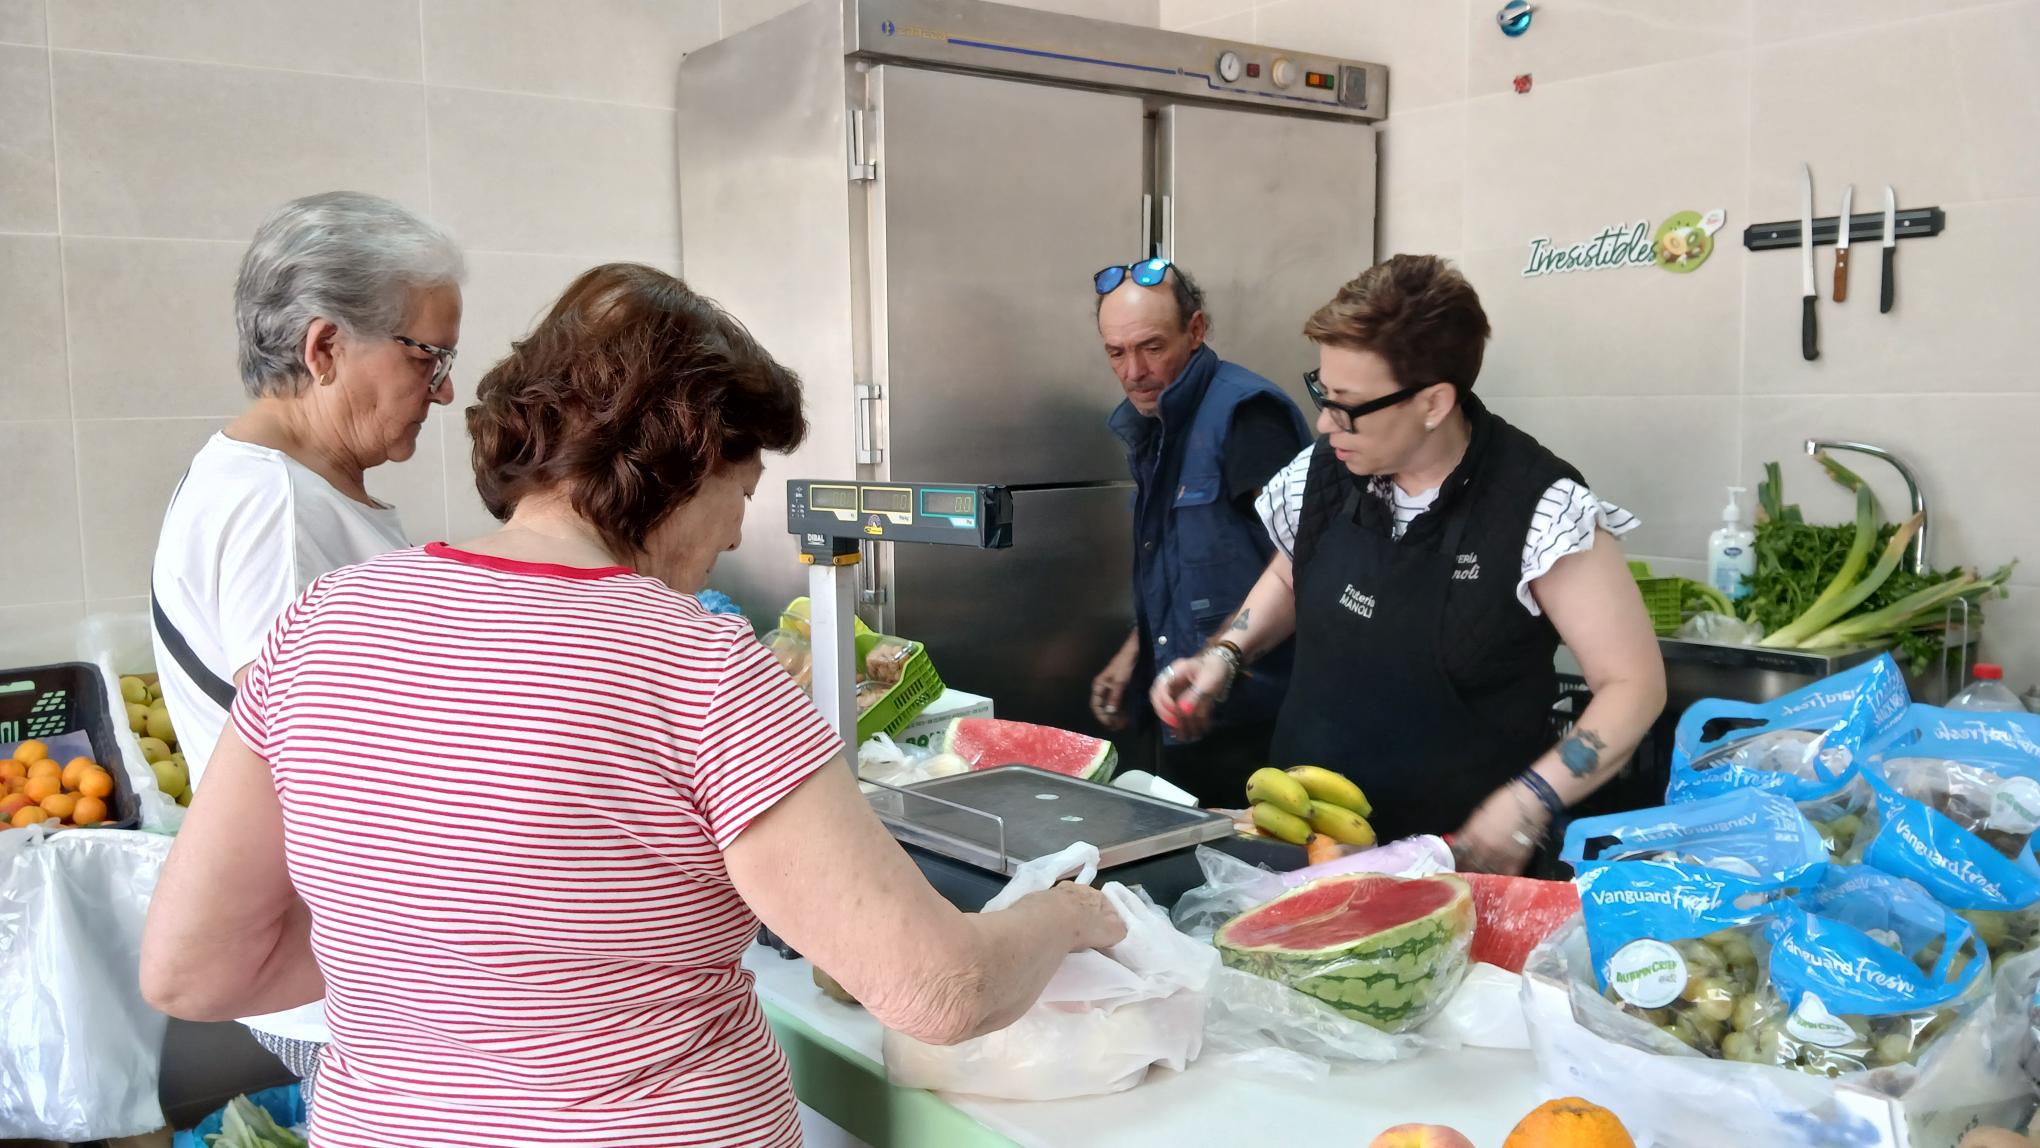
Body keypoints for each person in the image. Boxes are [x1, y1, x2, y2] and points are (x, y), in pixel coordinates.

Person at [140, 264, 1126, 1147]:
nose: (739, 526)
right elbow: (938, 988)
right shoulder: (695, 663)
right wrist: (1065, 917)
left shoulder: (323, 621)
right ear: (687, 458)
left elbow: (193, 970)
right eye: (741, 486)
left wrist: (448, 968)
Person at [1151, 256, 1665, 874]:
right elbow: (1294, 572)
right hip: (1306, 840)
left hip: (1456, 864)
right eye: (1323, 391)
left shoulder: (1540, 507)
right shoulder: (1323, 471)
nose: (1324, 421)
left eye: (1349, 404)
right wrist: (1225, 655)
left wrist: (1531, 801)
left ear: (1434, 402)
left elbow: (1633, 686)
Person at [148, 190, 465, 1101]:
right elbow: (333, 778)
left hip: (353, 976)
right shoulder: (272, 509)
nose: (443, 390)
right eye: (428, 355)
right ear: (325, 348)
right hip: (359, 994)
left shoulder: (279, 485)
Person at [1088, 258, 1310, 804]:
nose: (1134, 370)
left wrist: (1222, 661)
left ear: (1196, 330)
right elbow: (1184, 564)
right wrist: (1134, 652)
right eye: (1117, 352)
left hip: (1255, 724)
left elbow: (1307, 564)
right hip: (1189, 710)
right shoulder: (1159, 425)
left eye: (1152, 347)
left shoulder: (1247, 420)